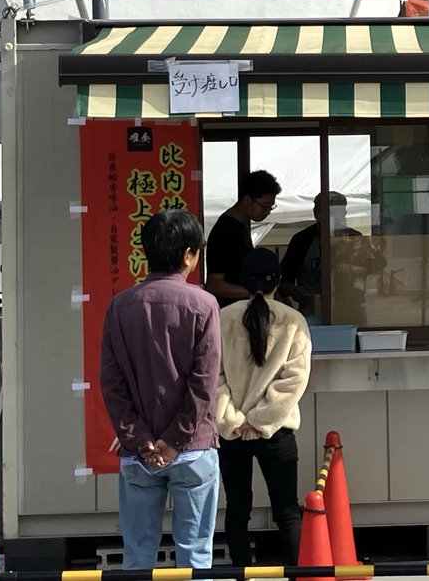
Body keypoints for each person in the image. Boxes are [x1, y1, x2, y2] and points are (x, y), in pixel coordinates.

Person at [99, 209, 222, 570]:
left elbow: (112, 382)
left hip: (140, 453)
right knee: (196, 554)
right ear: (187, 255)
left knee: (137, 556)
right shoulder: (204, 304)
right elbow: (204, 383)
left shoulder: (119, 306)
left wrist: (141, 440)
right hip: (193, 450)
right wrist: (175, 440)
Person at [215, 247, 311, 566]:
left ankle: (242, 573)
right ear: (279, 281)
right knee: (287, 510)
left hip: (233, 434)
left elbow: (214, 377)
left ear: (243, 280)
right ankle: (298, 575)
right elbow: (293, 381)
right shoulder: (293, 320)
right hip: (278, 431)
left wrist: (235, 421)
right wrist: (260, 420)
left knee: (237, 510)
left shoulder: (223, 318)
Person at [206, 170, 281, 308]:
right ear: (247, 200)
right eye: (264, 206)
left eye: (271, 207)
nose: (268, 212)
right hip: (229, 313)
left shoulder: (242, 225)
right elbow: (214, 284)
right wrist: (257, 292)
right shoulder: (225, 231)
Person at [278, 190, 360, 315]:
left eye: (336, 211)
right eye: (326, 211)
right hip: (313, 311)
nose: (330, 215)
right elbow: (283, 282)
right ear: (316, 213)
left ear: (344, 213)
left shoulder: (354, 238)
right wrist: (296, 291)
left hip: (351, 309)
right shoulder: (302, 240)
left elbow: (375, 268)